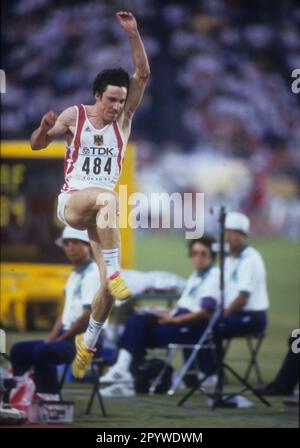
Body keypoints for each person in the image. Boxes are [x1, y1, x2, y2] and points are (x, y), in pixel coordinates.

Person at [29, 11, 150, 378]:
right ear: (98, 96)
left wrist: (133, 34)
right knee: (109, 199)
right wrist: (43, 128)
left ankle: (89, 344)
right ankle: (114, 271)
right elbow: (36, 146)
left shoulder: (125, 121)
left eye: (121, 101)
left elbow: (142, 74)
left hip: (102, 213)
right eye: (111, 100)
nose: (116, 107)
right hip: (73, 203)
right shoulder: (75, 115)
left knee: (107, 292)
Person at [99, 235, 220, 397]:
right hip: (179, 320)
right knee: (136, 321)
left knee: (137, 330)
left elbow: (206, 311)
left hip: (191, 327)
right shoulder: (196, 276)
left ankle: (125, 375)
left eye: (203, 254)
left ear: (212, 256)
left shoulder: (213, 276)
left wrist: (175, 319)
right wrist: (164, 312)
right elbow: (185, 305)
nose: (197, 258)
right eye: (194, 253)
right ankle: (125, 375)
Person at [9, 227, 101, 400]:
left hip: (86, 340)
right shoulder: (74, 274)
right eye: (66, 243)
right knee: (18, 350)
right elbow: (63, 314)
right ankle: (21, 391)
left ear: (88, 245)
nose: (70, 247)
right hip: (68, 336)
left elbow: (87, 316)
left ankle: (50, 397)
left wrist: (60, 338)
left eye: (76, 242)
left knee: (43, 351)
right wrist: (52, 337)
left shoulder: (92, 274)